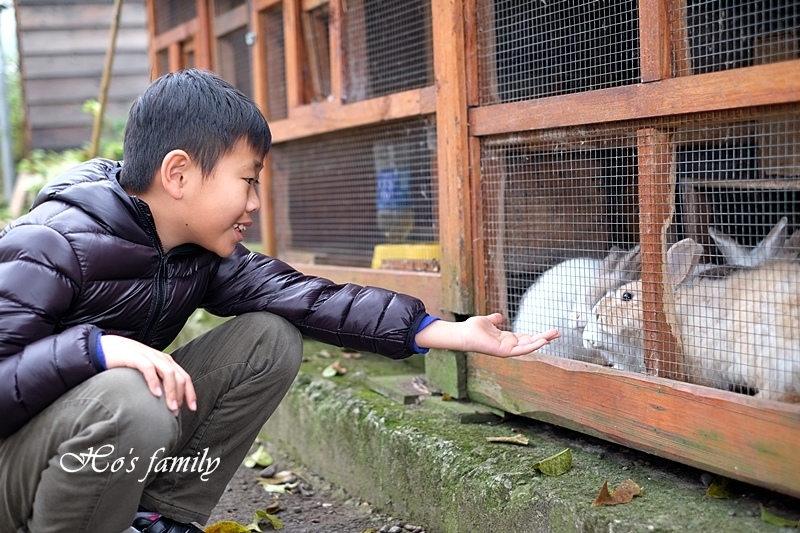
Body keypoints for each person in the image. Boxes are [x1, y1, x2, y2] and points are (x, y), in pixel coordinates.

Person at [0, 69, 559, 533]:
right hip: (14, 473)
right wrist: (96, 349)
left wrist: (446, 333)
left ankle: (157, 519)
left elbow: (306, 298)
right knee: (130, 394)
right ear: (178, 174)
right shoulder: (47, 245)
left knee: (268, 339)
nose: (255, 203)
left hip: (85, 451)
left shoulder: (196, 252)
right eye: (247, 180)